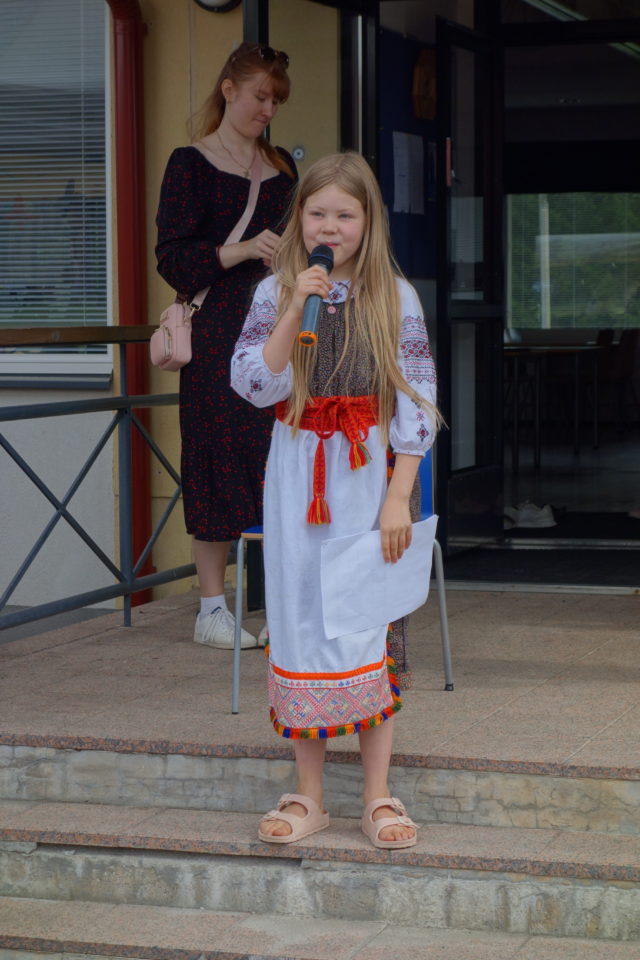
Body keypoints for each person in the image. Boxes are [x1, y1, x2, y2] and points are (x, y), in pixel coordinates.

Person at [230, 152, 441, 849]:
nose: (330, 226)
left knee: (366, 618)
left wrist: (397, 497)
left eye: (344, 214)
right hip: (296, 473)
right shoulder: (274, 294)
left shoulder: (395, 297)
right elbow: (253, 387)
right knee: (302, 622)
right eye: (317, 213)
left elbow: (417, 401)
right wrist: (294, 306)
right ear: (300, 220)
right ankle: (310, 794)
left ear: (367, 220)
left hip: (363, 477)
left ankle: (377, 794)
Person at [156, 43, 297, 650]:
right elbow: (172, 259)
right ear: (228, 89)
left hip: (279, 328)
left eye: (275, 100)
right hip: (215, 333)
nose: (266, 109)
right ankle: (212, 608)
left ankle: (284, 603)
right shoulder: (188, 163)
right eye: (259, 95)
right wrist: (240, 250)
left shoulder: (283, 170)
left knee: (280, 455)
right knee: (215, 454)